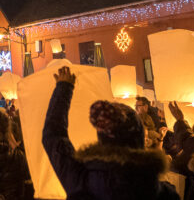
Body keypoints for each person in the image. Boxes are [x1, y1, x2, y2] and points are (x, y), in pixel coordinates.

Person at [42, 66, 179, 200]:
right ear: (139, 137)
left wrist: (64, 88)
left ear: (102, 137)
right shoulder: (163, 192)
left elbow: (53, 135)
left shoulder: (81, 179)